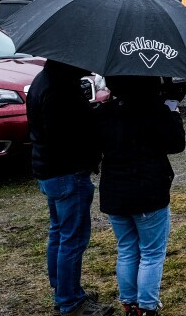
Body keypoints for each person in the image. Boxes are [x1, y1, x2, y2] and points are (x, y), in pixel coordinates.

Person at [27, 60, 116, 316]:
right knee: (72, 240)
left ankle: (63, 292)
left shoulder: (44, 81)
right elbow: (68, 134)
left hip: (50, 171)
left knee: (59, 233)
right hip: (67, 173)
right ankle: (70, 302)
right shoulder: (59, 89)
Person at [97, 76, 185, 316]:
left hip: (115, 190)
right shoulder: (155, 111)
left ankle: (130, 303)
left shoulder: (104, 112)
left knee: (126, 247)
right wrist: (173, 110)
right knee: (151, 252)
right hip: (148, 190)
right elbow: (176, 144)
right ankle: (146, 306)